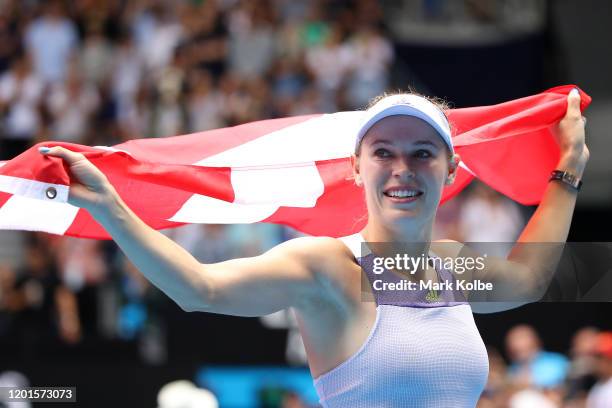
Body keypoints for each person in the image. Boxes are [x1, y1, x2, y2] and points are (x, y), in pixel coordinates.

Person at [38, 88, 589, 407]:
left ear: (450, 172)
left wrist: (567, 171)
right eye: (383, 152)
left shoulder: (451, 263)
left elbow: (530, 279)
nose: (403, 169)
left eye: (423, 153)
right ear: (356, 167)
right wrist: (112, 209)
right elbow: (198, 288)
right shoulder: (325, 266)